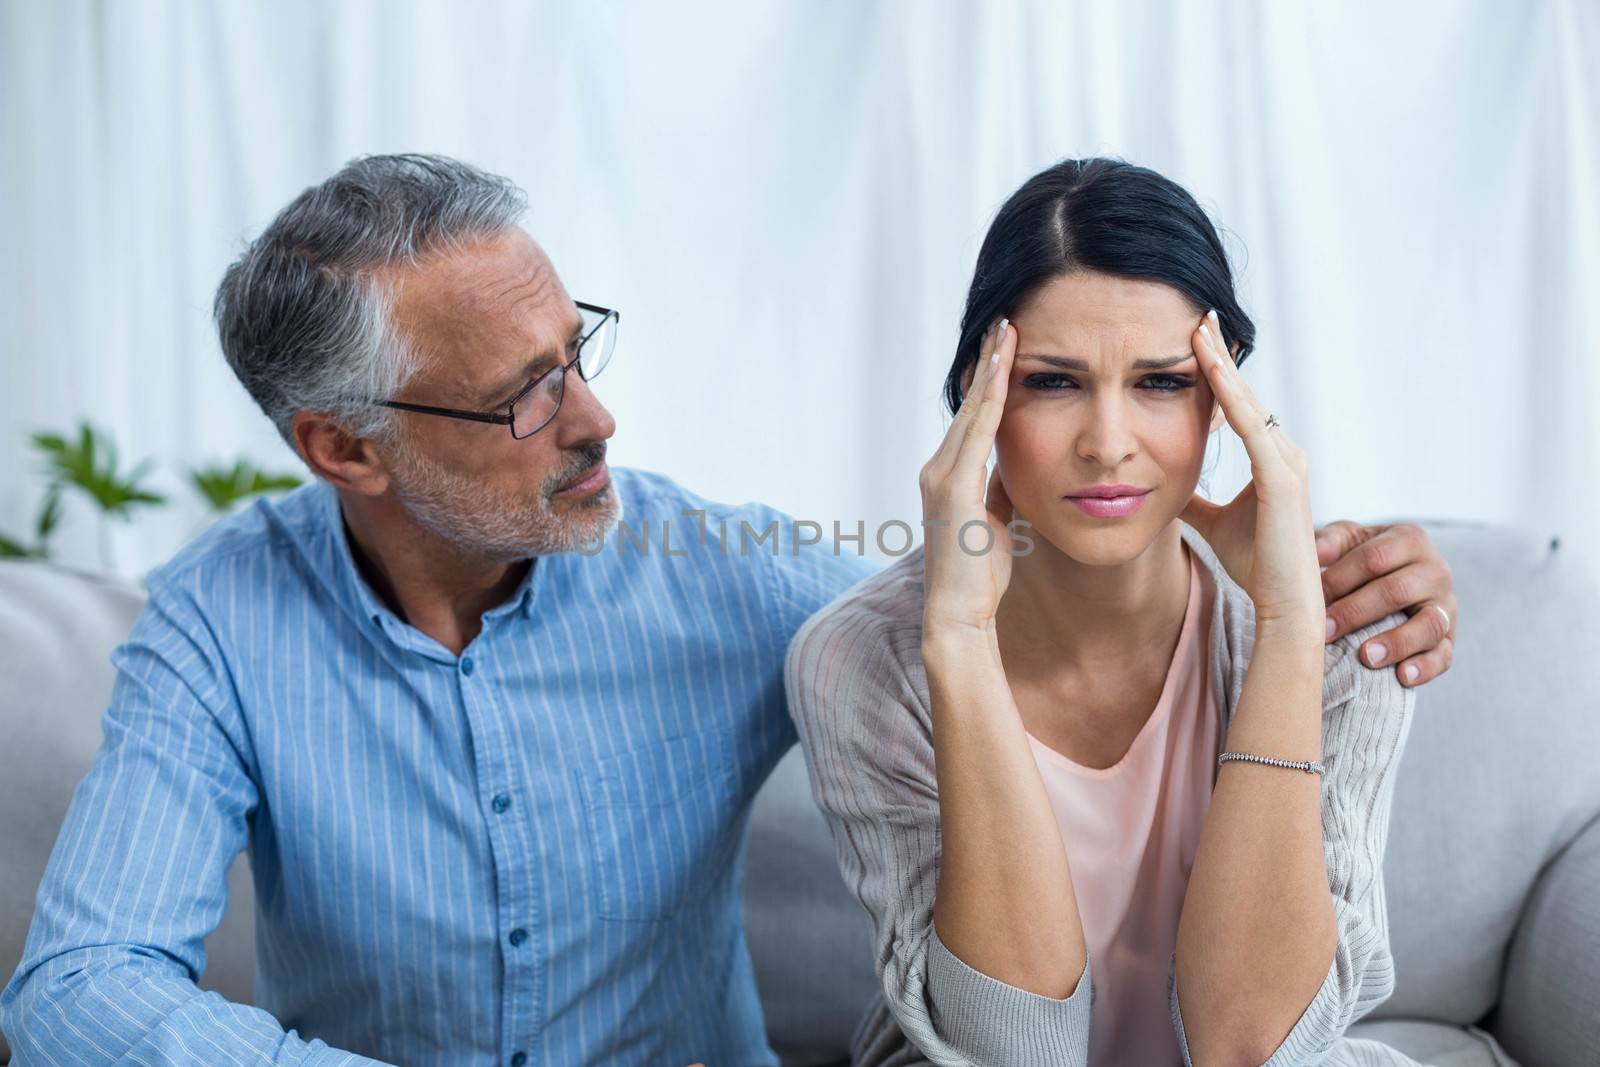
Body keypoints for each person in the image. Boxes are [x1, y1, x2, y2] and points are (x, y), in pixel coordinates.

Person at [2, 154, 1456, 1065]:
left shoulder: (726, 574)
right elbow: (77, 993)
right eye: (524, 394)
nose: (598, 418)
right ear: (343, 447)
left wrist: (1308, 564)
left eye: (578, 350)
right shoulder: (218, 623)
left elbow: (968, 612)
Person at [785, 157, 1446, 1066]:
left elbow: (1254, 1046)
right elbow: (1011, 1049)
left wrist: (1291, 630)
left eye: (1162, 382)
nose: (1107, 443)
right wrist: (960, 642)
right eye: (1053, 381)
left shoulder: (1341, 627)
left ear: (1225, 400)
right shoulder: (859, 659)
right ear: (979, 395)